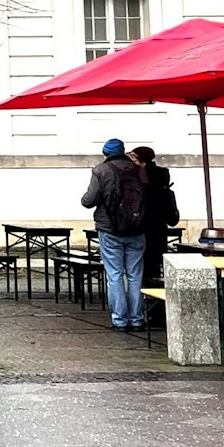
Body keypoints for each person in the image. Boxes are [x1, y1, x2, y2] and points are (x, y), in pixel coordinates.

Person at [81, 138, 149, 331]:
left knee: (115, 274)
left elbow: (89, 200)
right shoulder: (140, 170)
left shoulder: (101, 171)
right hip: (137, 229)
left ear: (105, 153)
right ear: (123, 151)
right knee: (135, 275)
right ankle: (136, 319)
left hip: (110, 228)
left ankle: (120, 320)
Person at [131, 146, 180, 290]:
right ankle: (155, 303)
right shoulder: (163, 185)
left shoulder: (135, 178)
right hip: (159, 231)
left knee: (137, 269)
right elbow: (172, 219)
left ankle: (142, 301)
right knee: (154, 268)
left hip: (140, 230)